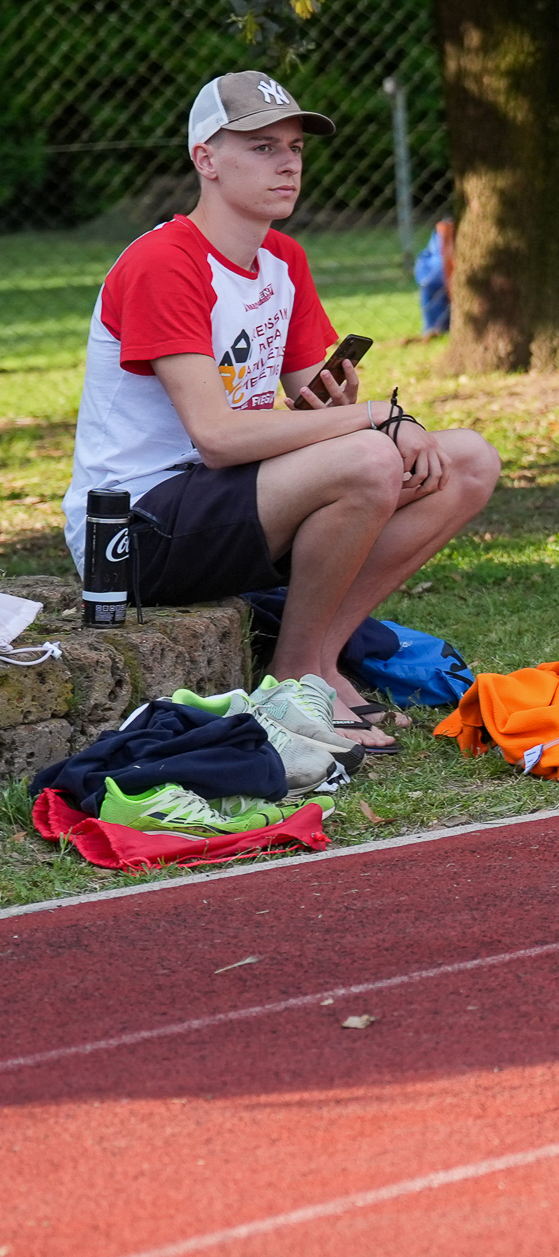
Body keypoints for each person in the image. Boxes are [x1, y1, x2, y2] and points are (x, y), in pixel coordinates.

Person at [62, 73, 501, 751]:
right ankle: (294, 676)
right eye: (262, 147)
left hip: (224, 502)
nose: (289, 163)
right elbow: (217, 436)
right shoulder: (163, 261)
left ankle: (321, 659)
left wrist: (345, 409)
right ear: (206, 158)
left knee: (468, 459)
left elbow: (309, 401)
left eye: (294, 147)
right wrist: (369, 420)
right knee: (369, 454)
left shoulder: (282, 259)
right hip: (132, 531)